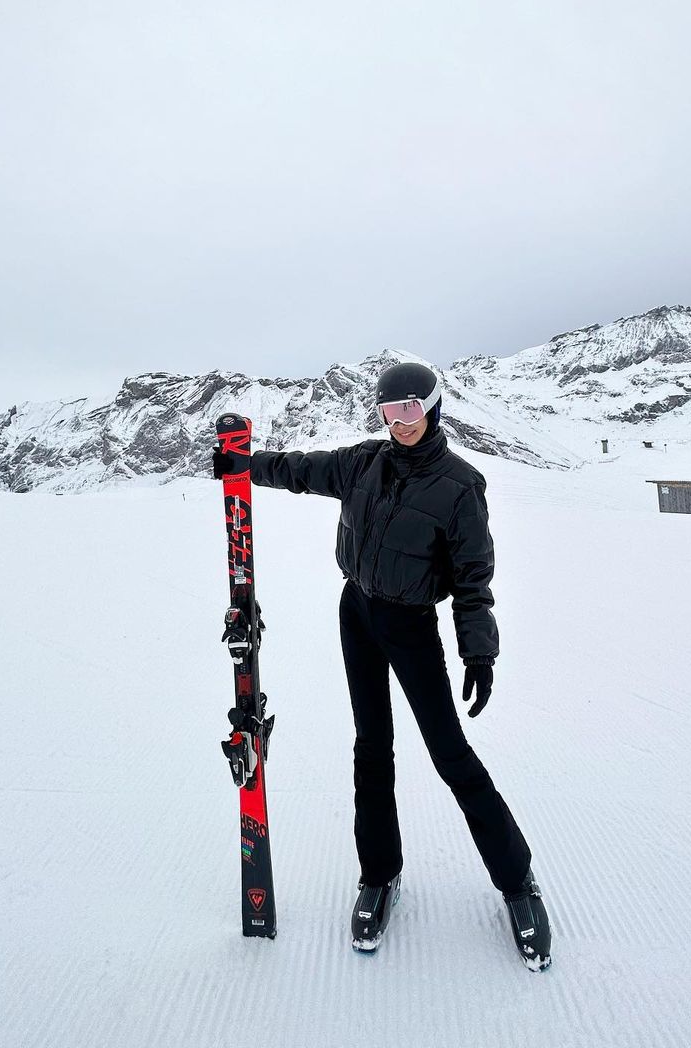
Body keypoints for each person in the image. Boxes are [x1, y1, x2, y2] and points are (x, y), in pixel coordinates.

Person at [212, 361, 552, 970]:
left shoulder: (459, 485)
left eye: (410, 412)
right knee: (372, 749)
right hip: (358, 613)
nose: (399, 424)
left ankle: (518, 882)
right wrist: (248, 467)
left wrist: (479, 648)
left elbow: (474, 579)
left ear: (434, 409)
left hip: (411, 625)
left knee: (452, 757)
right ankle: (378, 876)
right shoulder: (364, 463)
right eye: (389, 413)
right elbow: (304, 470)